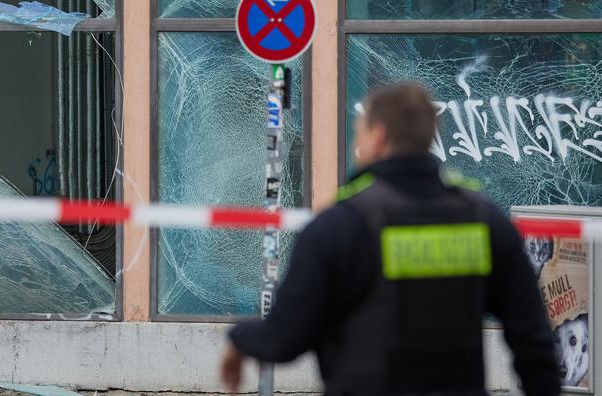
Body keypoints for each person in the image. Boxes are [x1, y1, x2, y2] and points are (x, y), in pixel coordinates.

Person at [220, 82, 559, 396]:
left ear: (378, 137)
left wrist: (238, 340)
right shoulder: (485, 221)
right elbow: (533, 341)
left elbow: (284, 338)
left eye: (359, 133)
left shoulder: (341, 226)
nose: (357, 144)